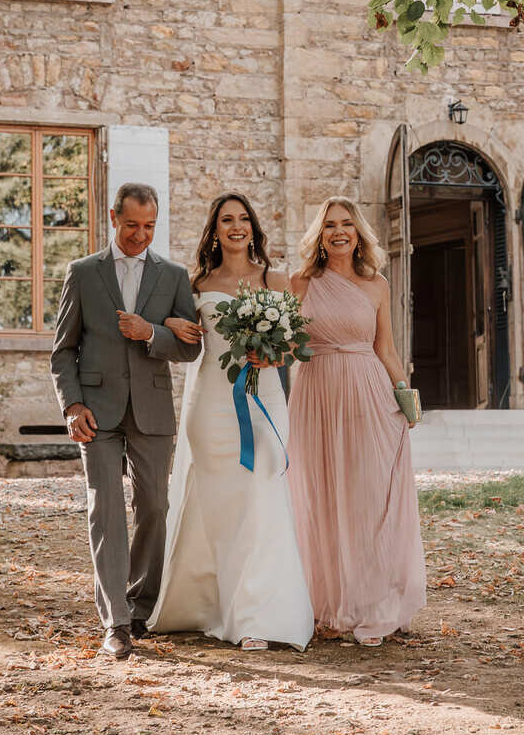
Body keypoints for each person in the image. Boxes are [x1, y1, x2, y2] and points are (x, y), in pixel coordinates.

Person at [147, 193, 313, 652]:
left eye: (243, 219)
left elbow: (298, 342)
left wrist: (275, 354)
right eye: (226, 220)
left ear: (253, 228)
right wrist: (171, 325)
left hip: (266, 400)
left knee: (263, 496)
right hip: (211, 405)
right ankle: (214, 606)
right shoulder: (196, 283)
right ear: (215, 230)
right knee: (219, 507)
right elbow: (183, 340)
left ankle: (259, 615)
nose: (236, 226)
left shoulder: (276, 279)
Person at [50, 182, 201, 661]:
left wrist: (151, 332)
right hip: (96, 411)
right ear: (114, 218)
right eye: (132, 224)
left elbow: (191, 347)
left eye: (149, 226)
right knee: (107, 508)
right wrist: (72, 406)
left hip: (152, 410)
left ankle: (141, 604)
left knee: (155, 505)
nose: (140, 234)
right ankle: (115, 621)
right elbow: (62, 351)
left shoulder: (173, 276)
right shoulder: (83, 273)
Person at [288, 196, 426, 646]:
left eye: (346, 224)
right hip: (316, 394)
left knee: (366, 498)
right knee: (322, 497)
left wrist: (406, 399)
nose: (339, 232)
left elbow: (386, 348)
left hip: (368, 393)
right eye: (329, 225)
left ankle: (371, 604)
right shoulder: (301, 282)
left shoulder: (376, 285)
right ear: (319, 235)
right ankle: (329, 605)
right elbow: (288, 347)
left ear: (358, 232)